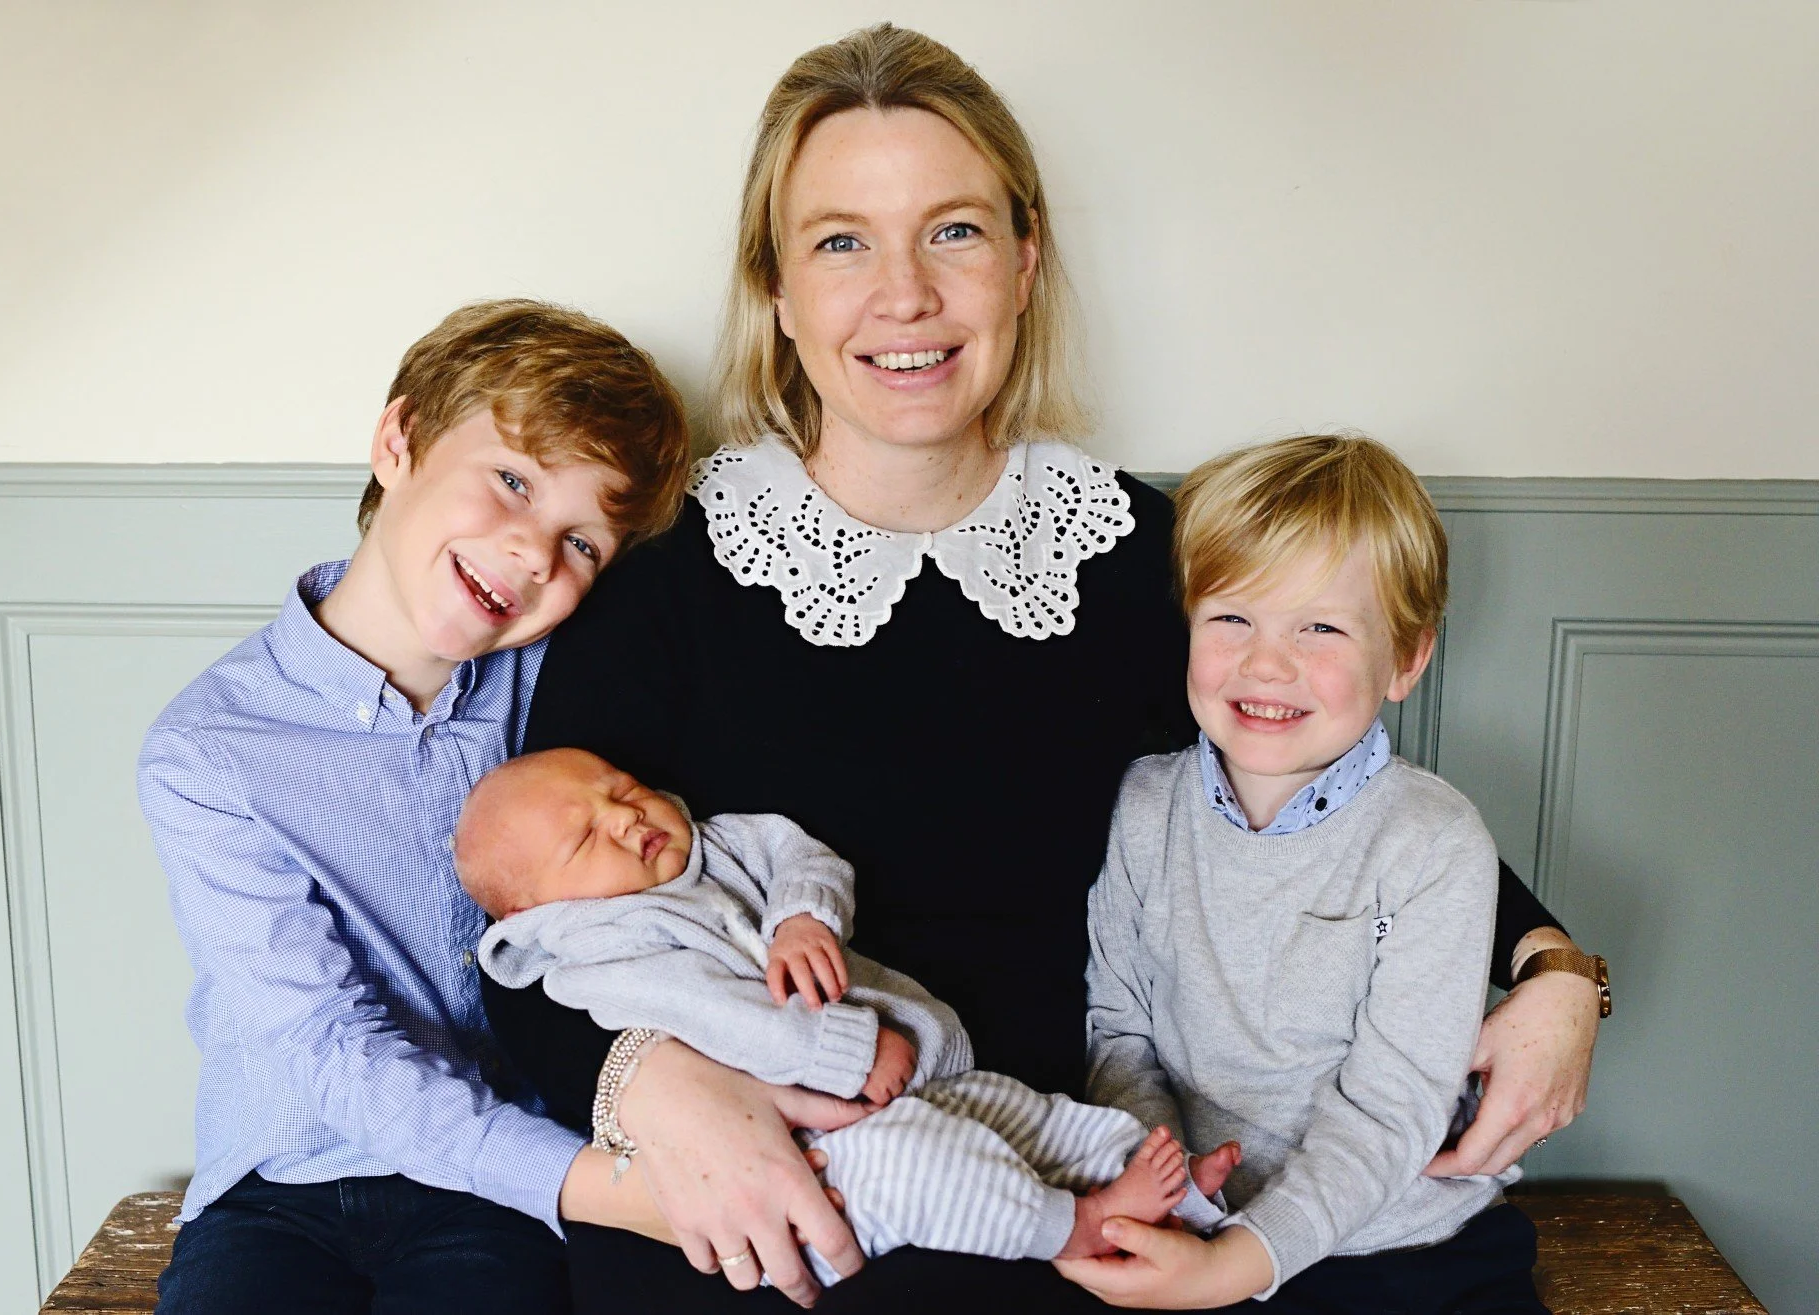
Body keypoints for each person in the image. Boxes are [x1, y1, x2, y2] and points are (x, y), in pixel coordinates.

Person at [486, 25, 1605, 1313]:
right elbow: (526, 920)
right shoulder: (664, 597)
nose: (903, 293)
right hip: (784, 1168)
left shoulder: (1140, 559)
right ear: (778, 290)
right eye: (841, 239)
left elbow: (1323, 796)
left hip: (1077, 1171)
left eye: (953, 232)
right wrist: (649, 1083)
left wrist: (1557, 967)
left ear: (1024, 262)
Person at [135, 299, 690, 1314]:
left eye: (583, 543)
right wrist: (605, 1188)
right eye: (513, 482)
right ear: (400, 441)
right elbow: (327, 1044)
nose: (533, 554)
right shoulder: (207, 751)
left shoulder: (558, 694)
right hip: (276, 1183)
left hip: (487, 1193)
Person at [1065, 434, 1548, 1312]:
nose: (1266, 660)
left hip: (1398, 1240)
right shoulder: (1142, 807)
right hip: (1195, 1221)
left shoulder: (1433, 843)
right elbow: (1120, 1032)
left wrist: (1246, 1258)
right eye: (1231, 618)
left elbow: (1391, 1107)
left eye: (1319, 626)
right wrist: (1172, 1183)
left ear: (1407, 659)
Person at [454, 748, 1239, 1286]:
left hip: (928, 1079)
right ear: (535, 912)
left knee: (1034, 1118)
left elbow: (807, 857)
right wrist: (846, 1050)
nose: (625, 816)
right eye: (587, 834)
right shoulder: (601, 950)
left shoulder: (720, 842)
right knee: (933, 1169)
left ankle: (1181, 1200)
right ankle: (1079, 1226)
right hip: (824, 1147)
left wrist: (805, 917)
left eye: (621, 789)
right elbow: (723, 1018)